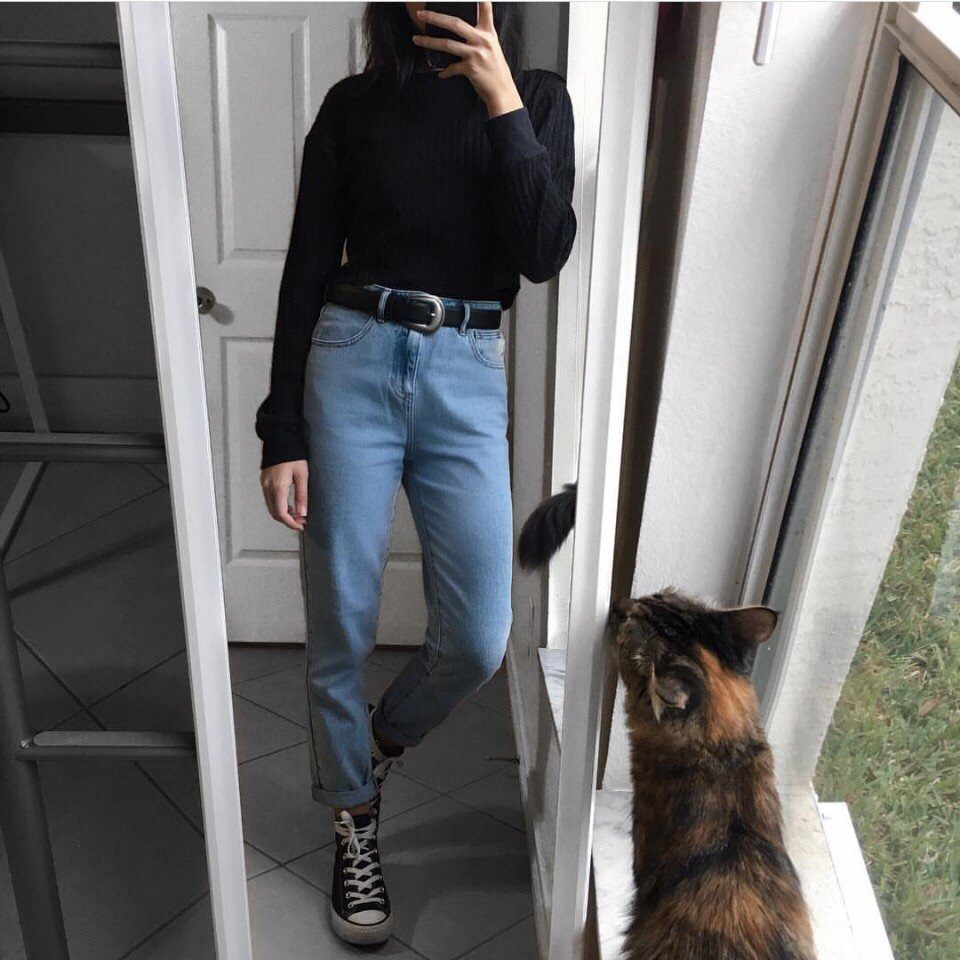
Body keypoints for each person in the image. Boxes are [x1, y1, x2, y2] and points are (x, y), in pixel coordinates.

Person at [256, 1, 575, 944]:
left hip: (467, 369)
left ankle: (378, 742)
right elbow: (306, 264)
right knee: (340, 621)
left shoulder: (538, 100)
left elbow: (542, 252)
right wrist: (282, 428)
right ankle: (352, 819)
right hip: (351, 356)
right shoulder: (353, 107)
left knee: (477, 636)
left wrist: (500, 97)